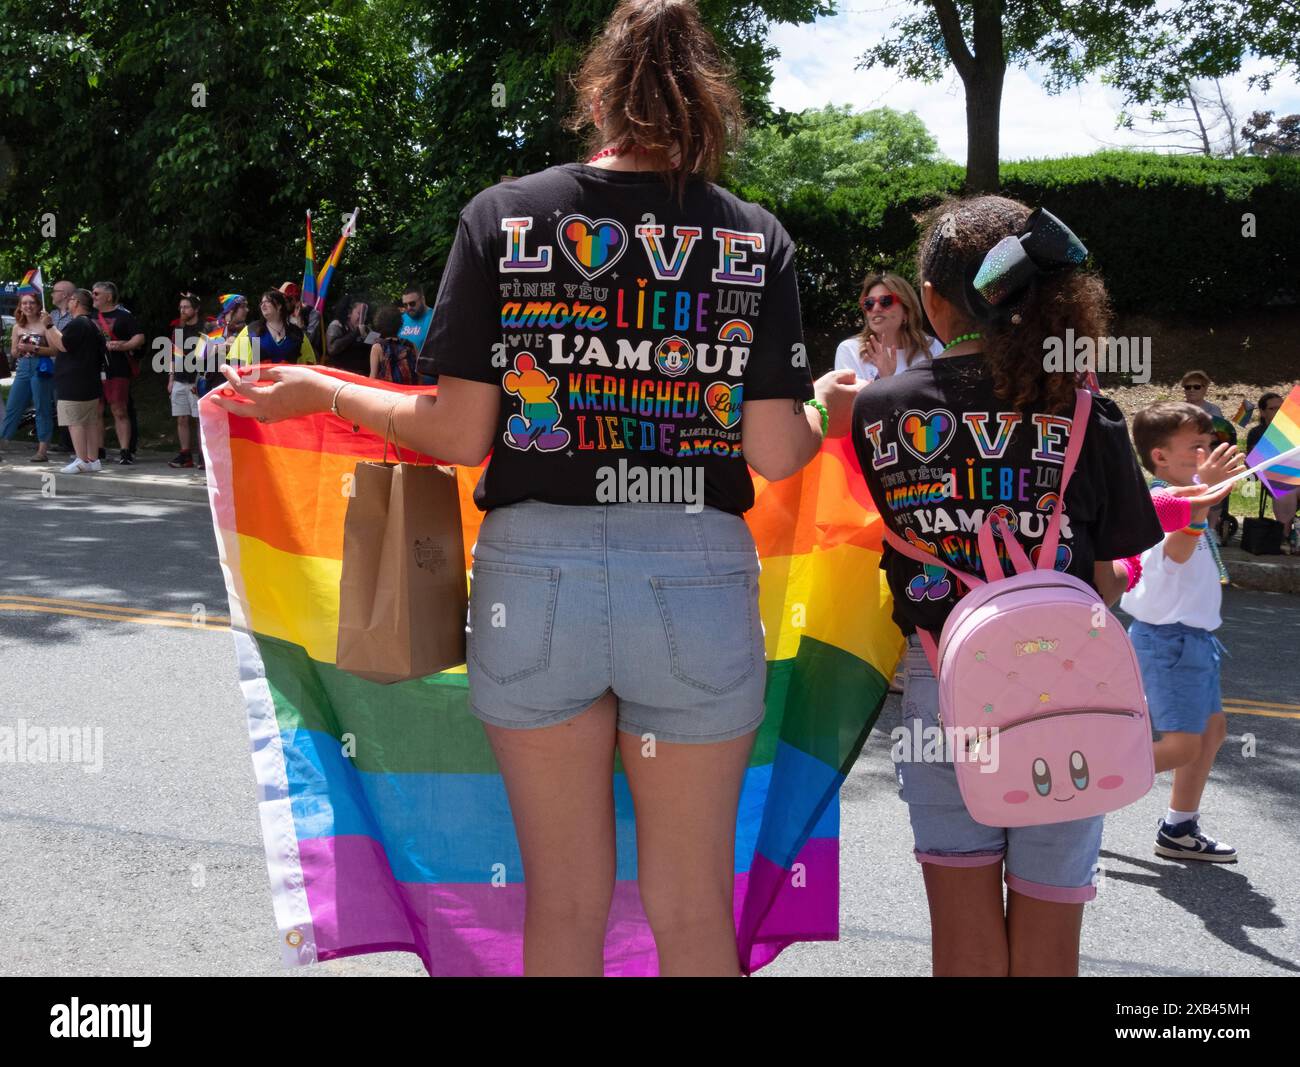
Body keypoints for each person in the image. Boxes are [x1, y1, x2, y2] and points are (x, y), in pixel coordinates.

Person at [211, 0, 862, 977]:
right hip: (694, 576)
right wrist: (822, 405)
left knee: (561, 904)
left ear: (596, 93)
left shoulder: (503, 216)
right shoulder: (749, 238)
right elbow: (775, 453)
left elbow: (457, 430)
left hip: (534, 577)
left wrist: (316, 384)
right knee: (691, 909)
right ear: (705, 102)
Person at [851, 196, 1166, 977]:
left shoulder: (882, 410)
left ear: (930, 299)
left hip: (944, 683)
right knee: (1051, 928)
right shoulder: (1088, 411)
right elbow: (1107, 581)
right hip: (1072, 686)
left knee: (960, 933)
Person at [1124, 402, 1244, 862]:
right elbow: (1174, 553)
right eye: (1196, 446)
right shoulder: (1159, 501)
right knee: (1180, 744)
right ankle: (1086, 789)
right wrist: (1201, 503)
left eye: (1209, 443)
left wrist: (1205, 492)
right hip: (1167, 639)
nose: (1208, 452)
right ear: (1160, 457)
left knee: (1211, 732)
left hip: (1192, 639)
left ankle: (1179, 828)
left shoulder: (1190, 492)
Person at [834, 272, 942, 382]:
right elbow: (852, 399)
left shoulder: (931, 348)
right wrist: (883, 378)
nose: (876, 308)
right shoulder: (850, 351)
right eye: (869, 303)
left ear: (906, 311)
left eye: (885, 301)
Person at [43, 289, 106, 473]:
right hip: (90, 381)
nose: (68, 303)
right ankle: (93, 460)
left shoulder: (77, 324)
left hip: (74, 382)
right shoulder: (93, 324)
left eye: (70, 300)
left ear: (76, 302)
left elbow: (62, 344)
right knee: (89, 422)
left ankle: (81, 460)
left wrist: (49, 326)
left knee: (75, 422)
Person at [90, 281, 144, 465]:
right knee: (95, 410)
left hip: (117, 369)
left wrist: (124, 346)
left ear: (109, 296)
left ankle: (125, 451)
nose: (93, 296)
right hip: (93, 369)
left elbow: (139, 337)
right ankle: (98, 450)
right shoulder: (89, 316)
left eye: (96, 293)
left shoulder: (124, 316)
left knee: (119, 410)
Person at [1, 291, 57, 462]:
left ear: (38, 305)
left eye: (31, 302)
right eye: (24, 303)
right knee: (12, 407)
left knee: (42, 408)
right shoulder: (17, 327)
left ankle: (42, 450)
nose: (28, 306)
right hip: (23, 369)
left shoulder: (45, 325)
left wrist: (34, 349)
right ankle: (3, 442)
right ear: (20, 307)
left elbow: (55, 350)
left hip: (41, 367)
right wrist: (17, 350)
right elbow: (13, 352)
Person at [1246, 391, 1298, 551]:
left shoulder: (1295, 429)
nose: (1278, 412)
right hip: (1271, 476)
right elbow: (1257, 463)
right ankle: (1284, 535)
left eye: (1282, 408)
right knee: (1286, 488)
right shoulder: (1257, 433)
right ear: (1262, 412)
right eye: (1273, 408)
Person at [228, 290, 316, 367]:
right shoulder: (251, 331)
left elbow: (309, 364)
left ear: (279, 306)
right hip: (258, 384)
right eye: (262, 303)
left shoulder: (297, 334)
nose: (263, 305)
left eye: (267, 302)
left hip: (289, 384)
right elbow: (235, 363)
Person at [167, 293, 205, 468]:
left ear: (196, 309)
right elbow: (174, 354)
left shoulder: (205, 327)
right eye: (181, 307)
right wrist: (171, 378)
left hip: (197, 379)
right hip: (180, 379)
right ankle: (185, 454)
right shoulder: (178, 329)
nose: (182, 310)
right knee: (181, 418)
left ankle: (204, 456)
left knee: (200, 419)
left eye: (186, 307)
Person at [324, 295, 375, 375]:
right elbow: (332, 349)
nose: (363, 318)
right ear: (349, 313)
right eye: (359, 313)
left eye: (365, 314)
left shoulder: (367, 330)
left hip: (360, 375)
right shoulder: (337, 325)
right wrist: (355, 333)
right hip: (339, 374)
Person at [368, 306, 419, 384]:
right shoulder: (411, 345)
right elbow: (419, 375)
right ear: (400, 323)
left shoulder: (378, 348)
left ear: (379, 324)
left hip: (389, 393)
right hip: (409, 392)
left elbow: (373, 377)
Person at [400, 284, 436, 383]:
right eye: (405, 304)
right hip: (404, 384)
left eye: (412, 303)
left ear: (423, 300)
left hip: (428, 385)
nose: (408, 308)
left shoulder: (435, 318)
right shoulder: (401, 319)